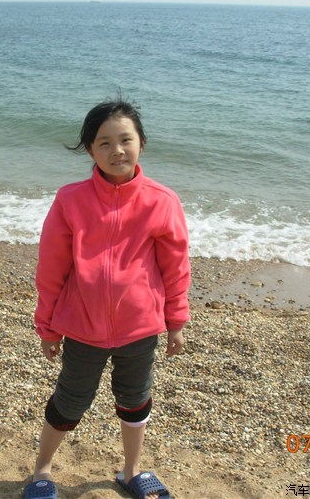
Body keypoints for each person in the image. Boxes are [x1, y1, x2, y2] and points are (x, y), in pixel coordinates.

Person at [25, 98, 191, 499]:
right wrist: (47, 325)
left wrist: (176, 321)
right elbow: (52, 267)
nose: (117, 150)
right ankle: (42, 469)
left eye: (125, 140)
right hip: (82, 327)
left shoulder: (162, 200)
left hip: (140, 327)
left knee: (135, 400)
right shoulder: (71, 199)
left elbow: (176, 267)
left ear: (141, 143)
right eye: (104, 143)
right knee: (70, 401)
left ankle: (131, 470)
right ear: (90, 150)